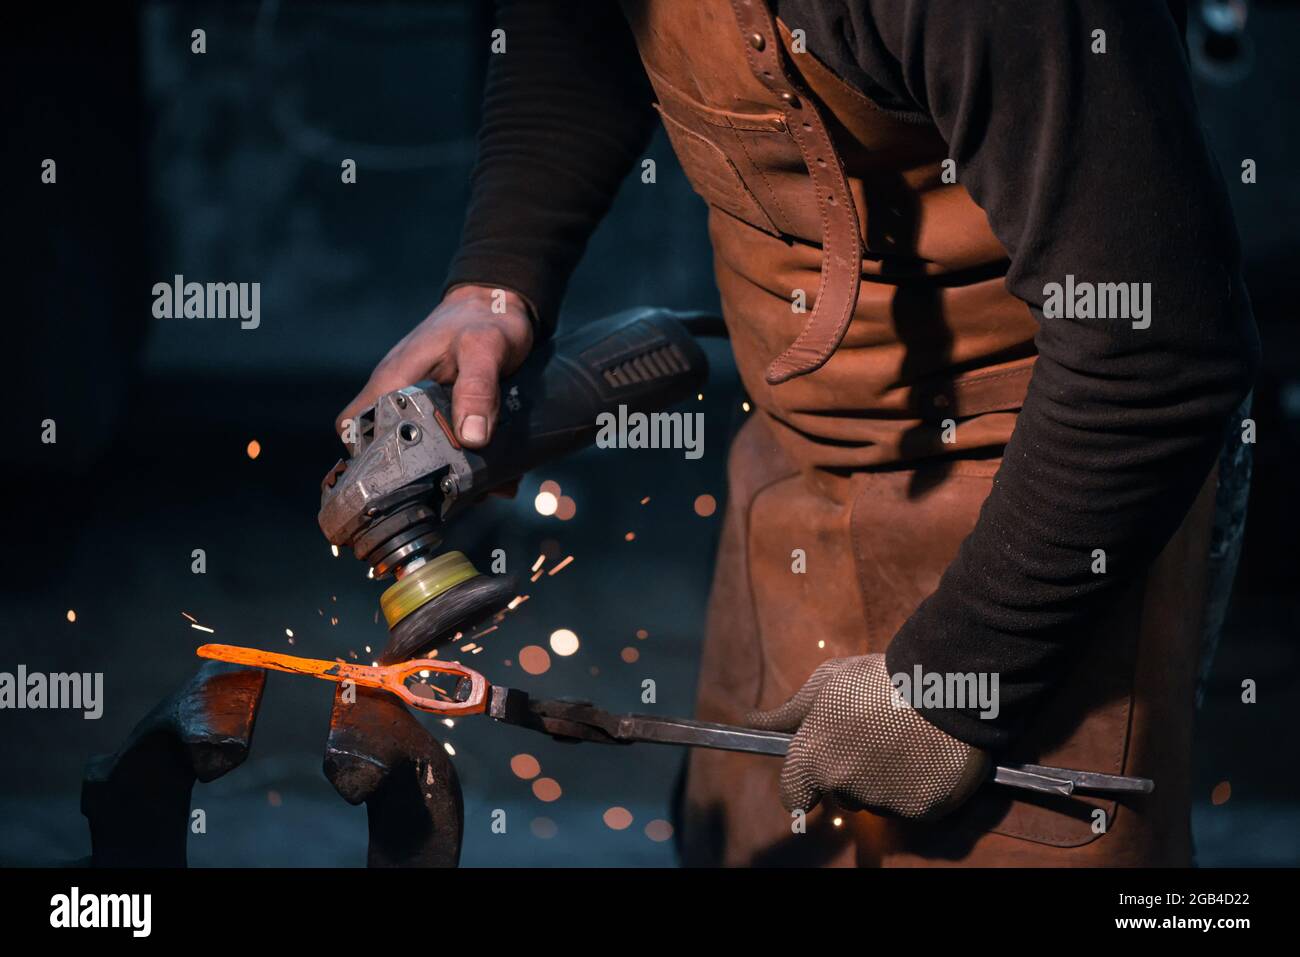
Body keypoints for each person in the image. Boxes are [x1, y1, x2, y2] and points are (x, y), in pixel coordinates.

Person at [338, 0, 1259, 866]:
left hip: (1056, 489)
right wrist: (496, 279)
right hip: (796, 466)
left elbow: (1159, 348)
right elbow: (572, 27)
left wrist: (958, 678)